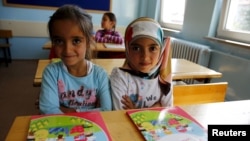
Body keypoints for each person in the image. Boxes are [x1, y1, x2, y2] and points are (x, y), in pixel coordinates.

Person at [39, 4, 112, 114]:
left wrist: (67, 110)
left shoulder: (100, 75)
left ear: (88, 42)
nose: (67, 50)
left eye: (76, 41)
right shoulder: (51, 73)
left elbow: (106, 111)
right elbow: (49, 111)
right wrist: (91, 110)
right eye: (59, 41)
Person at [110, 17, 173, 110]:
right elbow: (119, 117)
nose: (145, 57)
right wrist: (157, 106)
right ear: (127, 49)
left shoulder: (163, 79)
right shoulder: (120, 77)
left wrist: (134, 110)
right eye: (136, 48)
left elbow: (167, 112)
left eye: (152, 48)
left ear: (161, 50)